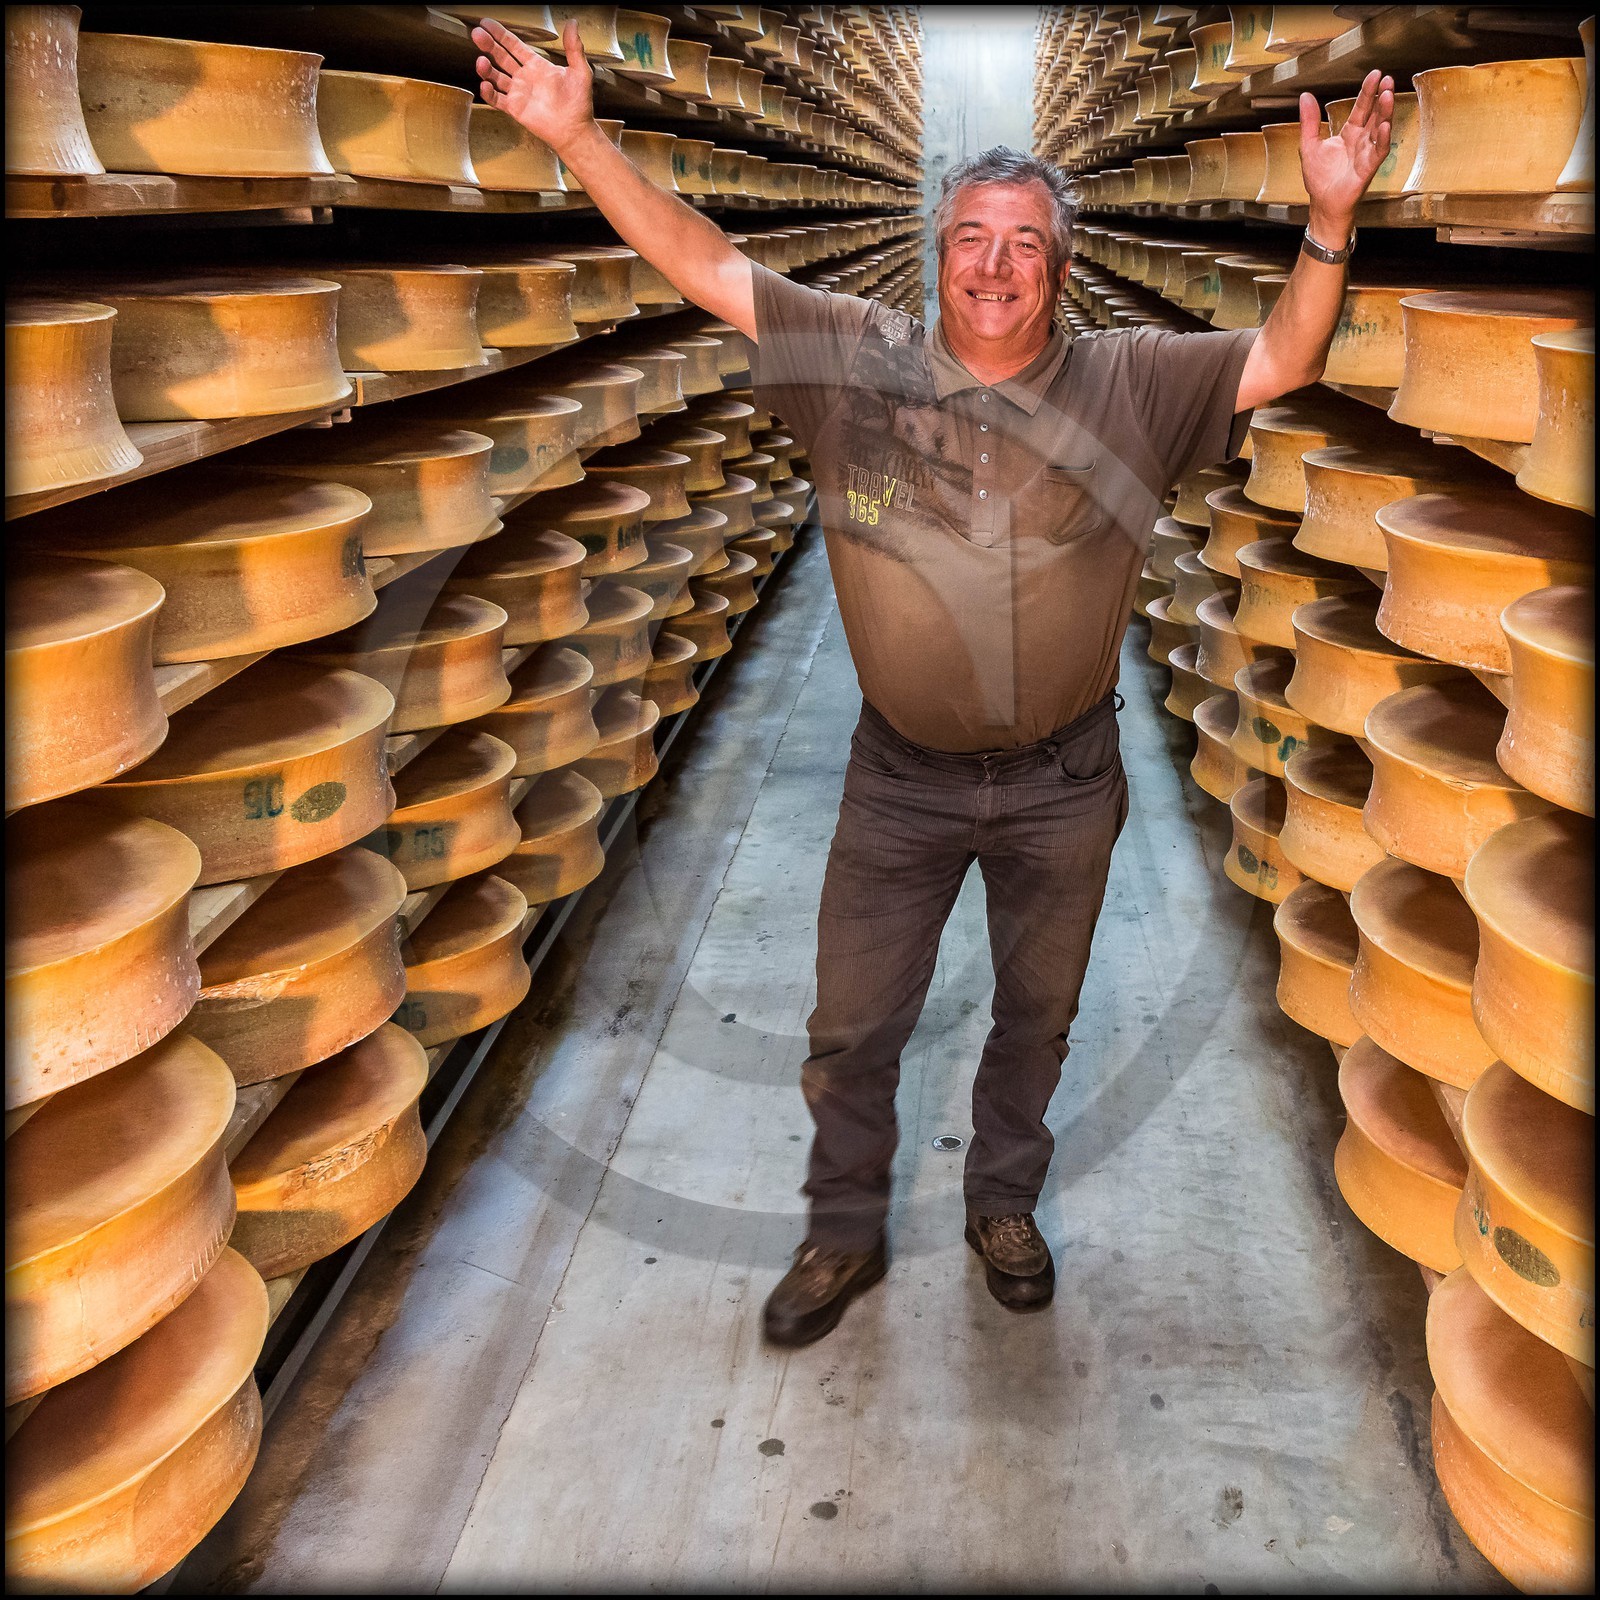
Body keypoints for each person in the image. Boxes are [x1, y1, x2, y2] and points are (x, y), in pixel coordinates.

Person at [473, 18, 1394, 1347]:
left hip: (1065, 784)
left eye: (1027, 241)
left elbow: (1286, 357)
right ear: (937, 254)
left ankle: (1001, 1202)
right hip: (897, 780)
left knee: (1039, 1018)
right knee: (853, 1025)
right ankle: (843, 1233)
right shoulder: (854, 362)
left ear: (1062, 267)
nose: (998, 265)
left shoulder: (1133, 382)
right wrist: (577, 140)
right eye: (974, 236)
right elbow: (706, 263)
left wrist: (1327, 224)